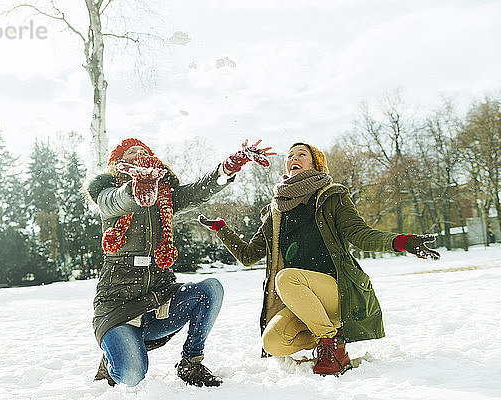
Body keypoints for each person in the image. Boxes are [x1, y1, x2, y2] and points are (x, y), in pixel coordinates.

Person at [198, 142, 440, 376]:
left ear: (316, 164)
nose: (293, 159)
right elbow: (249, 255)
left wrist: (402, 241)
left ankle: (332, 347)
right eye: (290, 156)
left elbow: (360, 234)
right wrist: (222, 230)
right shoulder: (276, 211)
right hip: (303, 300)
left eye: (301, 154)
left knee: (286, 278)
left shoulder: (331, 196)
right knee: (273, 343)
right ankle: (328, 336)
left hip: (337, 292)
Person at [86, 138, 275, 387]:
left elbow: (197, 191)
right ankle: (115, 354)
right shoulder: (107, 193)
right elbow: (118, 200)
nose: (139, 155)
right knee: (131, 376)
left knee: (210, 289)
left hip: (158, 300)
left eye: (144, 151)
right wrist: (138, 188)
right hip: (118, 307)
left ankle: (190, 362)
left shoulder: (164, 195)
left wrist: (227, 169)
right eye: (131, 152)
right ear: (119, 162)